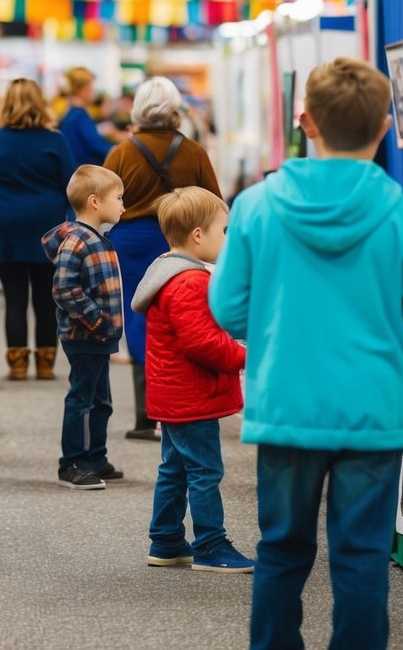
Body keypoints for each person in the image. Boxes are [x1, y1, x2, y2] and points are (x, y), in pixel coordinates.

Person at [207, 57, 403, 649]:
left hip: (288, 403)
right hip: (374, 410)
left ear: (306, 121)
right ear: (384, 127)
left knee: (282, 551)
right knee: (362, 557)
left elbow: (227, 308)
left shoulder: (256, 206)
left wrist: (275, 329)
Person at [131, 187, 253, 574]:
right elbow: (203, 342)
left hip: (176, 393)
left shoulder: (169, 271)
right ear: (198, 235)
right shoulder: (190, 282)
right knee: (205, 471)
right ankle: (211, 544)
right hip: (191, 394)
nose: (227, 239)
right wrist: (247, 355)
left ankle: (166, 540)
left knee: (176, 467)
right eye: (224, 230)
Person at [104, 77, 222, 441]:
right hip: (182, 241)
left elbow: (106, 202)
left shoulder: (121, 153)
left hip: (132, 242)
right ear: (175, 111)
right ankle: (183, 407)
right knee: (185, 318)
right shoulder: (194, 152)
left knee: (140, 317)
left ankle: (145, 416)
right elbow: (215, 203)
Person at [0, 79, 75, 380]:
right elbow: (71, 186)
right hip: (48, 226)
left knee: (14, 299)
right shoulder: (55, 140)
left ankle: (17, 365)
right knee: (46, 299)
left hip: (6, 226)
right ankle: (45, 364)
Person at [41, 165, 126, 490]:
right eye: (118, 198)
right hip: (86, 335)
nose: (123, 205)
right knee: (83, 399)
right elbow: (64, 289)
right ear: (94, 201)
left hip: (99, 336)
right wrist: (99, 321)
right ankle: (73, 463)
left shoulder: (97, 239)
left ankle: (95, 456)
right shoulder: (79, 242)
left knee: (100, 400)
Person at [57, 67, 114, 167]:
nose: (93, 90)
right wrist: (121, 149)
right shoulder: (79, 116)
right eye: (91, 86)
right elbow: (97, 147)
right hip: (85, 173)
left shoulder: (70, 113)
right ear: (84, 89)